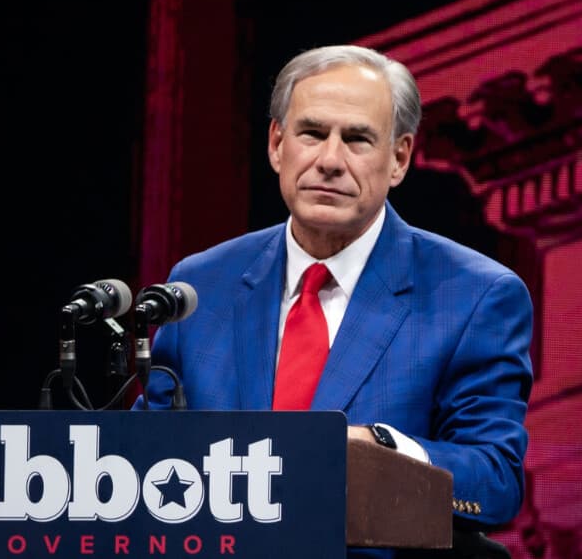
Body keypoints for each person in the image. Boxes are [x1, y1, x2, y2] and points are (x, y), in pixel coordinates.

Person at [133, 44, 533, 557]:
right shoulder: (202, 284)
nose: (329, 161)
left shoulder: (475, 296)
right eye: (312, 133)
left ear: (400, 158)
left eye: (358, 139)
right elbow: (147, 458)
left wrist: (385, 450)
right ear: (277, 144)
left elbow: (495, 482)